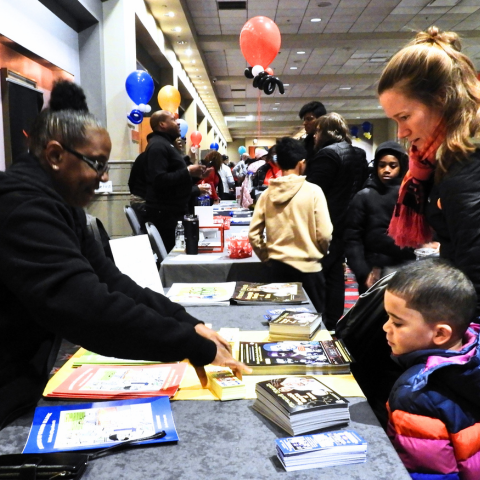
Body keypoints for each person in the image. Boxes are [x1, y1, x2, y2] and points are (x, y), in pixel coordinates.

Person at [0, 84, 249, 430]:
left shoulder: (59, 203)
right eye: (97, 164)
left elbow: (110, 280)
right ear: (56, 156)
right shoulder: (23, 206)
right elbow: (86, 307)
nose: (104, 177)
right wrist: (189, 344)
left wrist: (187, 323)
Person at [378, 26, 480, 315]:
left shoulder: (467, 162)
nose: (401, 131)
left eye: (405, 116)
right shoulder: (444, 159)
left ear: (441, 100)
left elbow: (475, 273)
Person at [383, 259, 480, 479]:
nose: (385, 327)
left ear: (440, 334)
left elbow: (428, 473)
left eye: (397, 323)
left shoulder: (415, 394)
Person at [248, 137, 332, 313]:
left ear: (278, 165)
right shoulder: (314, 191)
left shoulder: (266, 195)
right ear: (301, 163)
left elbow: (254, 235)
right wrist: (319, 253)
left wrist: (267, 256)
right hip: (309, 269)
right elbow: (324, 233)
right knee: (312, 326)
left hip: (278, 269)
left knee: (281, 323)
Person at [305, 112, 367, 329]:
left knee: (320, 276)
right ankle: (333, 323)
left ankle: (319, 322)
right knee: (336, 276)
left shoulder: (327, 155)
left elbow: (312, 193)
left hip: (325, 223)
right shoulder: (359, 154)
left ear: (325, 132)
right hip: (346, 224)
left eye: (318, 131)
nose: (314, 136)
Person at [344, 141, 415, 294]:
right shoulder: (364, 196)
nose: (386, 170)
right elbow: (352, 239)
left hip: (409, 269)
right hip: (374, 271)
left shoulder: (412, 195)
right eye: (382, 165)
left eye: (392, 165)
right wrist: (363, 272)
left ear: (401, 166)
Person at [143, 110, 205, 252]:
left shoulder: (166, 144)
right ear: (162, 124)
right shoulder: (158, 145)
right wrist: (188, 171)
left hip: (174, 211)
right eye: (173, 119)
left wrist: (195, 175)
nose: (178, 122)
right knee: (174, 254)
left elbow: (175, 177)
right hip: (166, 215)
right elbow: (159, 180)